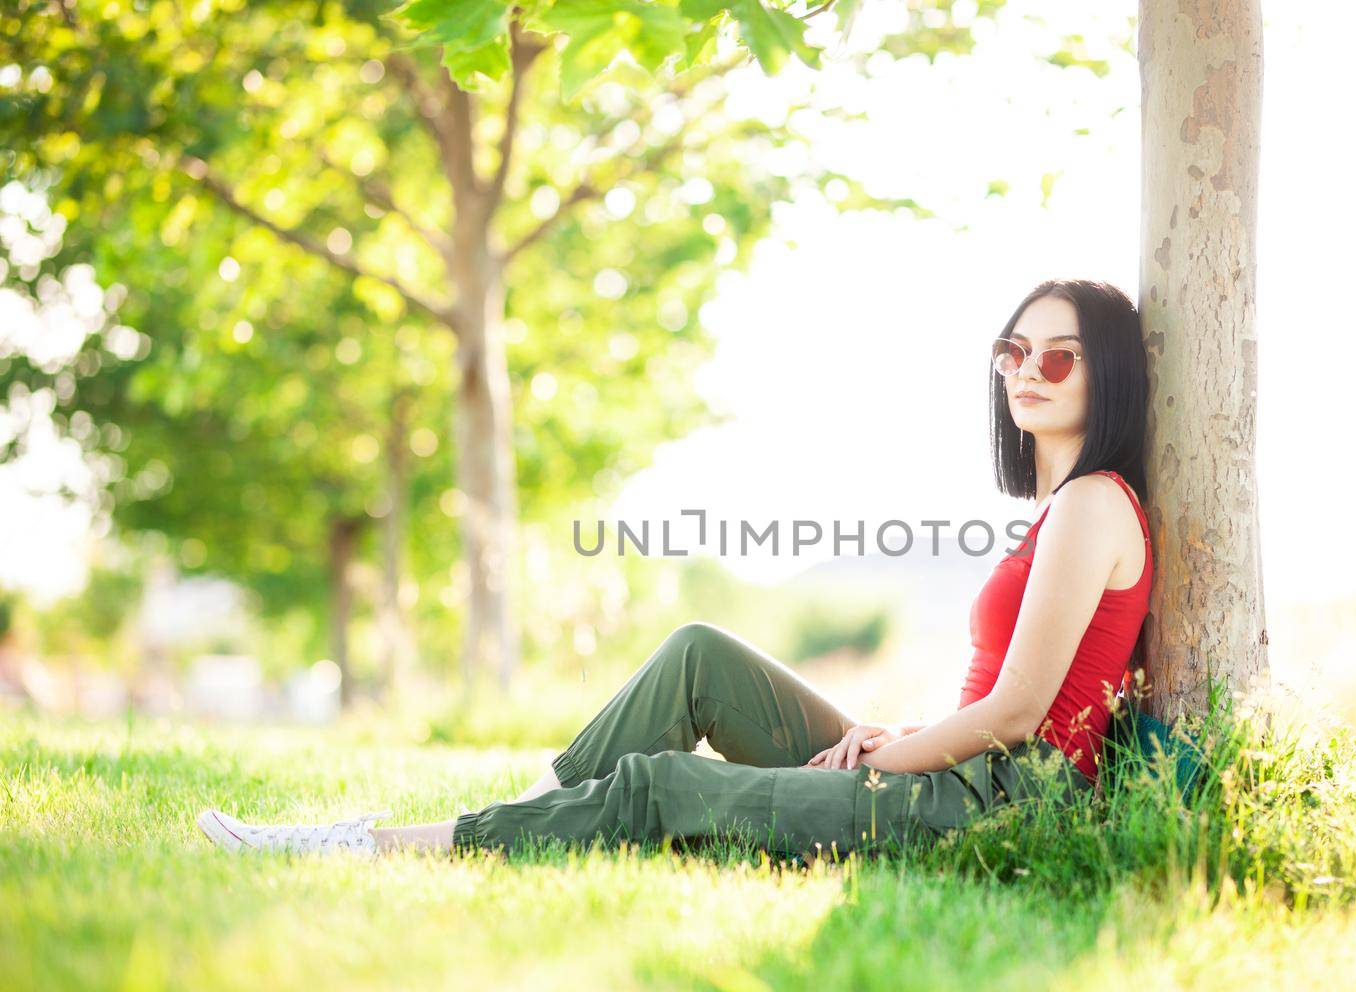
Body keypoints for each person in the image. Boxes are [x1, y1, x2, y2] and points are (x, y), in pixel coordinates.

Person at [196, 278, 1155, 862]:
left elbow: (1017, 718)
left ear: (1103, 374)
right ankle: (526, 817)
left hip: (987, 806)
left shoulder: (1091, 504)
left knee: (659, 787)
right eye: (1012, 350)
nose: (1027, 370)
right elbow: (996, 696)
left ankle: (379, 846)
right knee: (700, 652)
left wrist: (880, 755)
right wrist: (893, 731)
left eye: (1058, 358)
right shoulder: (1056, 510)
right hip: (961, 772)